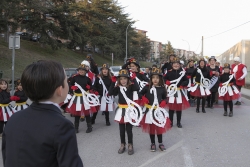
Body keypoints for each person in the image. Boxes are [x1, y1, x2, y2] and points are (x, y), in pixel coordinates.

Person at [2, 60, 83, 167]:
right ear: (60, 90)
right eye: (66, 81)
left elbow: (7, 157)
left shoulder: (14, 118)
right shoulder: (62, 126)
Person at [139, 67, 171, 152]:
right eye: (153, 78)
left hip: (158, 111)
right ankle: (152, 143)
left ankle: (160, 143)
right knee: (151, 128)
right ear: (151, 79)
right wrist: (143, 98)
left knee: (159, 127)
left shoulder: (162, 88)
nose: (155, 79)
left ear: (160, 79)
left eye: (157, 78)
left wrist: (164, 101)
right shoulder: (147, 88)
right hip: (149, 111)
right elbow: (139, 93)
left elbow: (165, 98)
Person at [108, 69, 139, 155]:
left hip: (129, 110)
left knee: (129, 129)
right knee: (121, 130)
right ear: (118, 80)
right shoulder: (118, 88)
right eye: (121, 79)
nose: (123, 81)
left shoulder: (131, 86)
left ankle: (130, 144)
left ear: (128, 79)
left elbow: (137, 88)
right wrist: (112, 82)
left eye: (125, 79)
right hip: (121, 110)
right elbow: (110, 92)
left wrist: (134, 78)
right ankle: (122, 144)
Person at [66, 64, 98, 133]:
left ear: (85, 71)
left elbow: (92, 87)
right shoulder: (74, 78)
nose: (81, 71)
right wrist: (72, 88)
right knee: (77, 113)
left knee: (87, 113)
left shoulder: (88, 79)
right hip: (77, 97)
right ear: (78, 71)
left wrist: (90, 88)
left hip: (85, 97)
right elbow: (69, 85)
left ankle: (89, 127)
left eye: (82, 70)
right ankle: (76, 128)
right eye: (80, 70)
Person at [164, 57, 189, 128]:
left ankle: (178, 122)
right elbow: (163, 78)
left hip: (179, 91)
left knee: (179, 108)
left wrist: (183, 84)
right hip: (171, 92)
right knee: (171, 108)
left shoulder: (182, 73)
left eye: (177, 64)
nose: (176, 65)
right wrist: (166, 81)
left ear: (180, 65)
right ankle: (170, 122)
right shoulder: (169, 72)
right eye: (174, 64)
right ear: (172, 65)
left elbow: (186, 81)